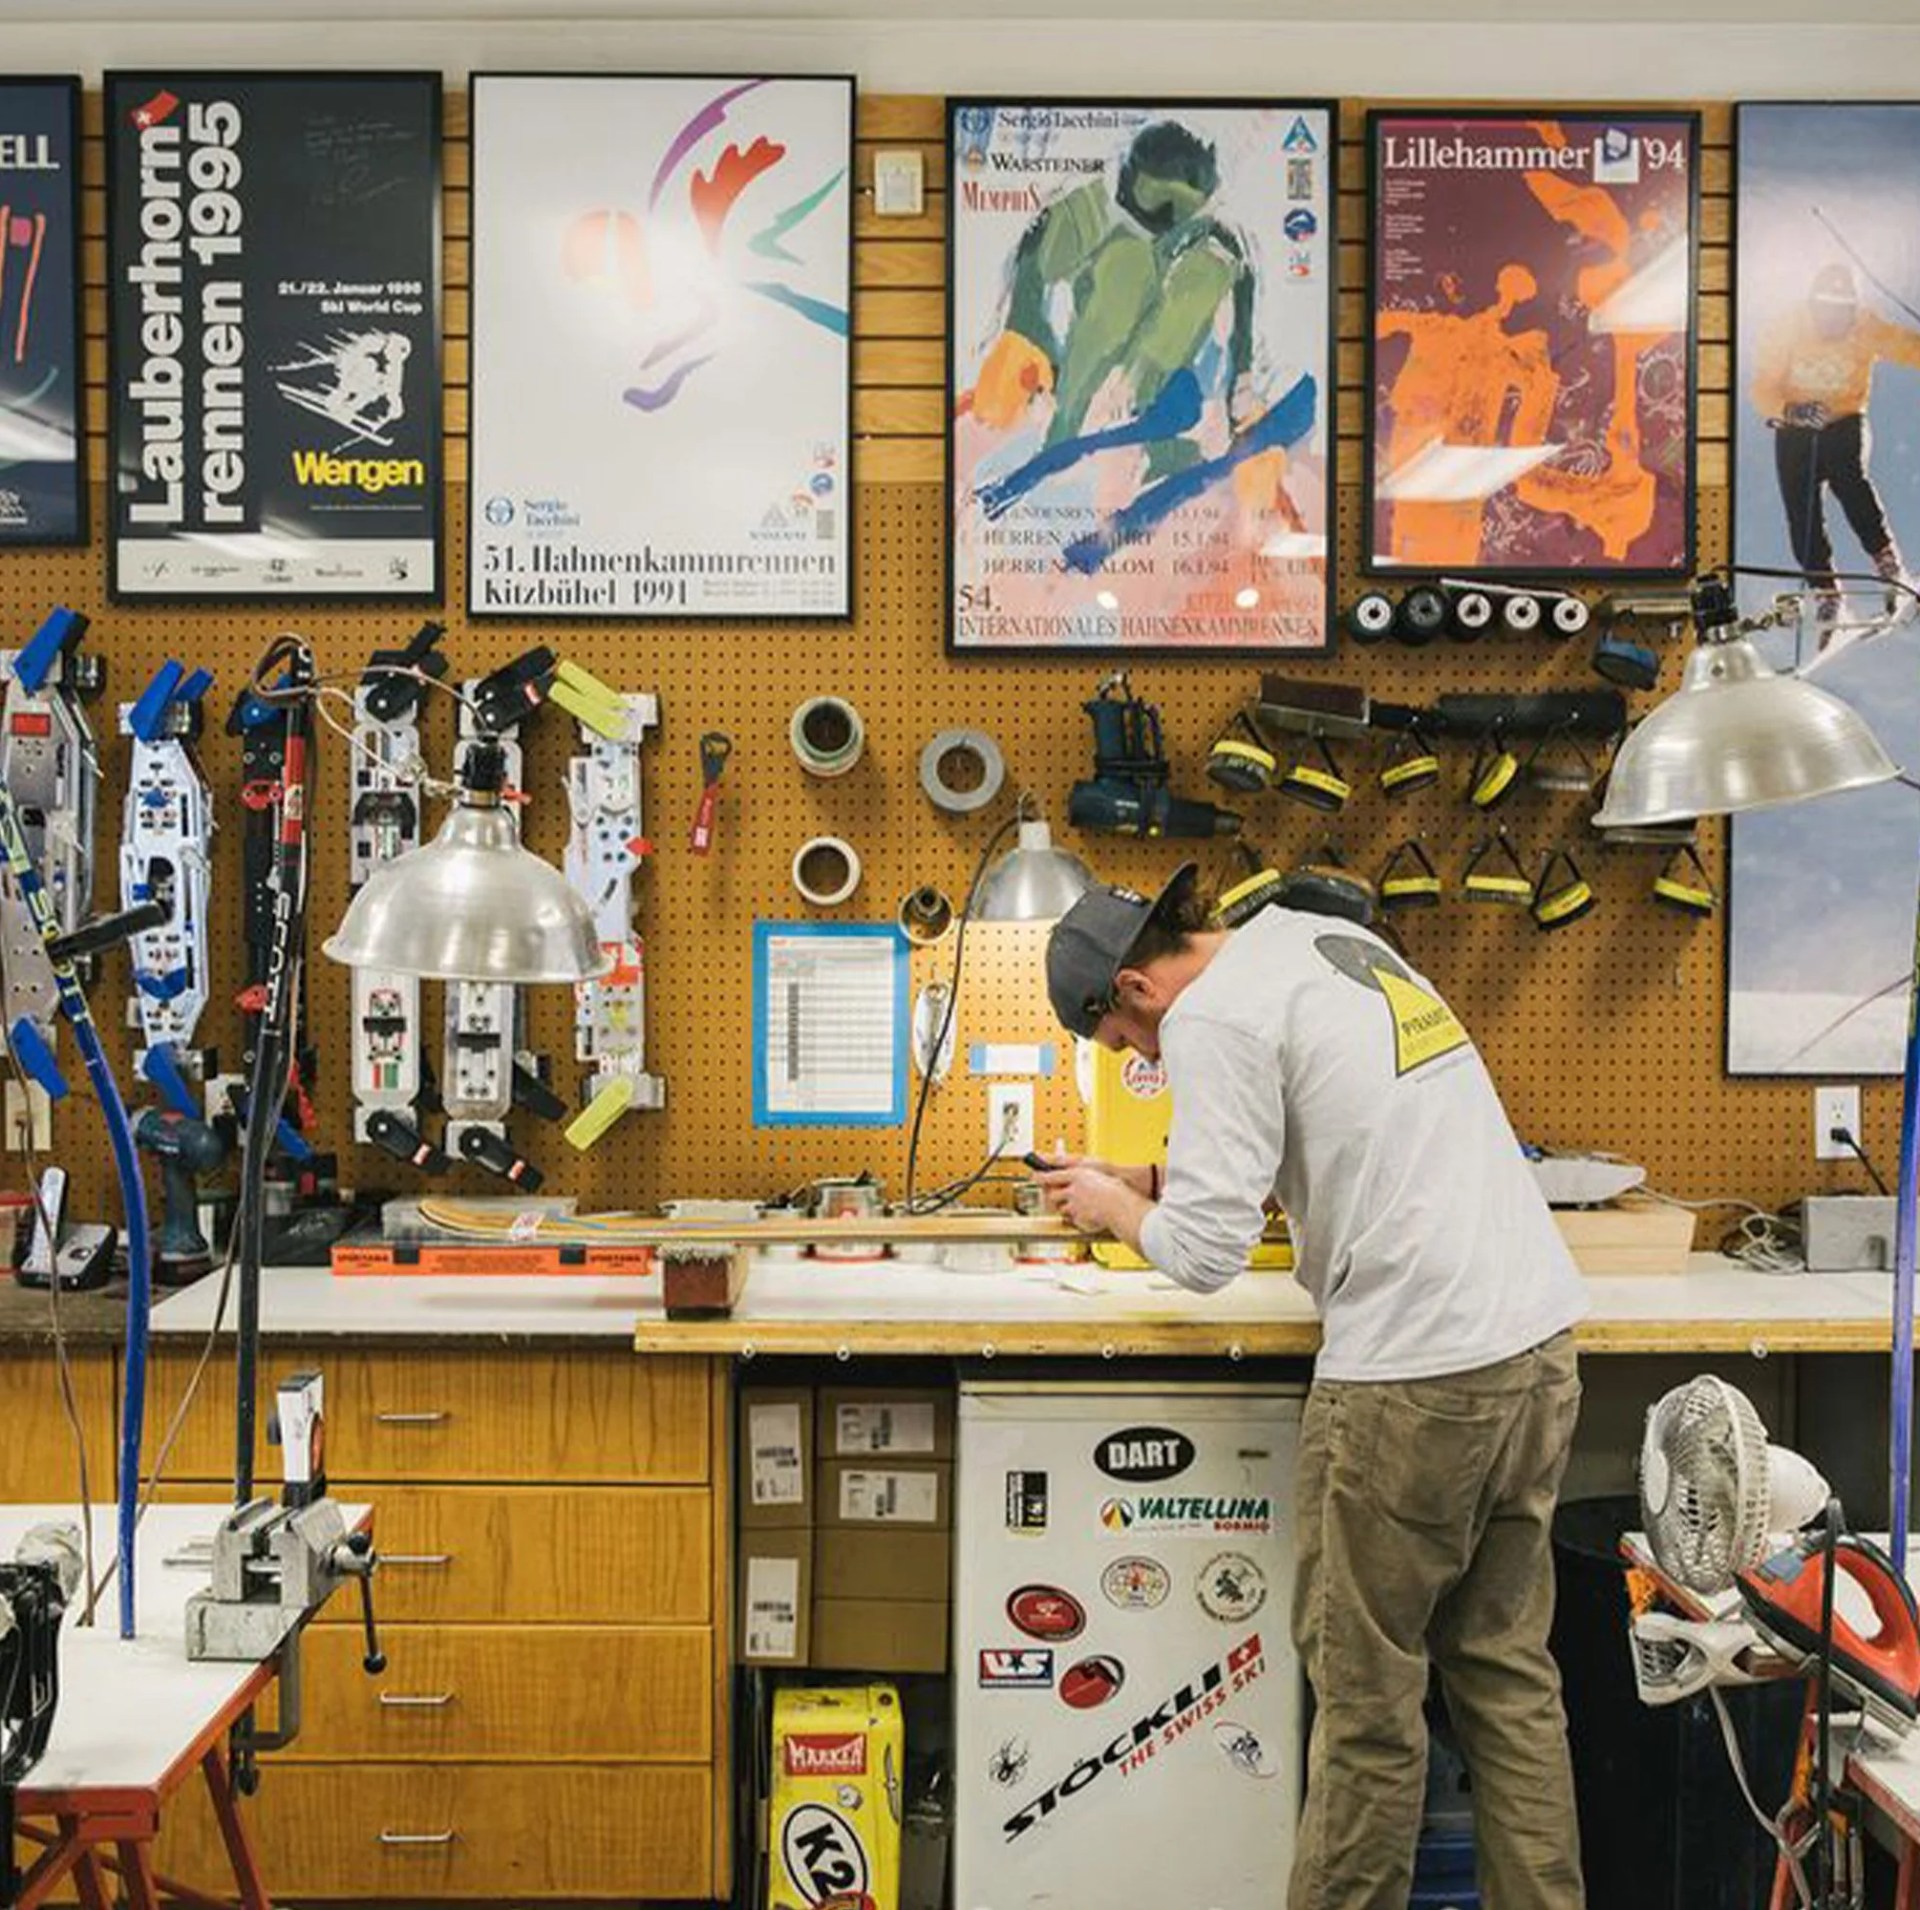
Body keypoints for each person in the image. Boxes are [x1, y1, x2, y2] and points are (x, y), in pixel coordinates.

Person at [1036, 866, 1587, 1910]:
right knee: (1507, 1675)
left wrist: (1113, 1205)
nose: (1139, 1061)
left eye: (1122, 1044)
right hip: (1533, 1349)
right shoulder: (1312, 945)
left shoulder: (1210, 1023)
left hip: (1413, 1379)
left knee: (1369, 1705)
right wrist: (1151, 1175)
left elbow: (1204, 1253)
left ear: (1134, 992)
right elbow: (1339, 1124)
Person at [1751, 261, 1920, 645]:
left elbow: (1906, 346)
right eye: (1827, 311)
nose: (1835, 320)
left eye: (1842, 311)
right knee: (1801, 508)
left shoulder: (1865, 326)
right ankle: (1826, 591)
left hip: (1844, 418)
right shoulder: (1788, 327)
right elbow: (1762, 387)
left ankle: (1887, 563)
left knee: (1849, 478)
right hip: (1796, 425)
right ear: (1813, 306)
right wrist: (1790, 411)